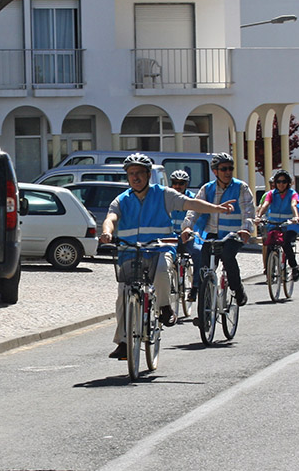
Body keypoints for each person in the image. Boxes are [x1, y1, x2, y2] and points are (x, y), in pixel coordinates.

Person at [100, 153, 234, 359]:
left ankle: (164, 307)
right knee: (122, 295)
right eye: (131, 174)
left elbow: (191, 204)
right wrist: (107, 232)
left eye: (139, 173)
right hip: (130, 252)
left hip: (159, 249)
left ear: (148, 175)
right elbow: (111, 217)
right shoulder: (122, 199)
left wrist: (217, 208)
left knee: (162, 270)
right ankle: (124, 342)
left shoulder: (163, 194)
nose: (135, 177)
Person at [181, 152, 256, 308]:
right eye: (224, 169)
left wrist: (246, 229)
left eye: (230, 168)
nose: (228, 172)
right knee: (204, 267)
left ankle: (238, 290)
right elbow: (194, 208)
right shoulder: (207, 189)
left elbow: (248, 211)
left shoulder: (241, 187)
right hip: (213, 234)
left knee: (228, 256)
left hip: (233, 234)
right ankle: (205, 311)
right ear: (215, 171)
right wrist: (187, 227)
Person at [255, 169, 299, 281]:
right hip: (273, 224)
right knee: (269, 244)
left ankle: (294, 267)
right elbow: (265, 205)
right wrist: (259, 216)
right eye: (279, 181)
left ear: (288, 183)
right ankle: (269, 269)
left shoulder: (292, 194)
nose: (281, 184)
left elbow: (293, 204)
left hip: (288, 226)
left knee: (286, 243)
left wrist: (295, 217)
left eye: (284, 181)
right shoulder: (271, 194)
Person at [169, 169, 201, 303]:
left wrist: (190, 231)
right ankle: (167, 285)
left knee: (198, 252)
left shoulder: (193, 198)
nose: (178, 186)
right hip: (171, 237)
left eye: (181, 183)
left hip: (188, 236)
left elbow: (198, 217)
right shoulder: (167, 197)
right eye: (175, 183)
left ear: (186, 184)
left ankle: (195, 286)